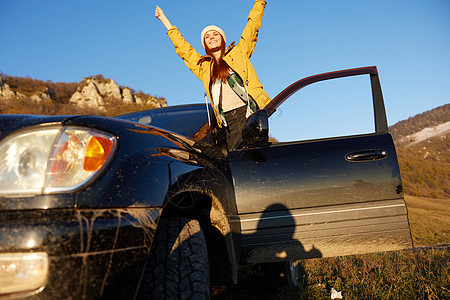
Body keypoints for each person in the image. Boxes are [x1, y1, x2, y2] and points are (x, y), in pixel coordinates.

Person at [155, 0, 271, 150]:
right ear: (205, 44)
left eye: (215, 34)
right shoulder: (204, 68)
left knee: (258, 156)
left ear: (222, 39)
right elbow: (183, 49)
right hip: (228, 122)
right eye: (207, 37)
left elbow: (252, 27)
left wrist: (260, 2)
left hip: (249, 113)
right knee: (239, 161)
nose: (211, 37)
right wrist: (164, 20)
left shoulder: (239, 52)